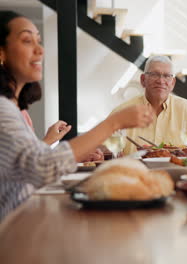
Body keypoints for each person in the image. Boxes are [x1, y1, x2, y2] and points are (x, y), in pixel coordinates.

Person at [0, 11, 153, 221]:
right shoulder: (2, 109)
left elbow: (25, 165)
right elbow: (41, 167)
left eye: (39, 40)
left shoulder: (12, 107)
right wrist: (113, 123)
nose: (40, 49)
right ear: (1, 53)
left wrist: (77, 153)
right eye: (27, 40)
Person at [111, 55, 187, 155]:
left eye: (167, 76)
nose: (161, 81)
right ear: (143, 80)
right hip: (134, 170)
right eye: (154, 74)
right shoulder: (121, 113)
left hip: (177, 170)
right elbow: (106, 151)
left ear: (173, 83)